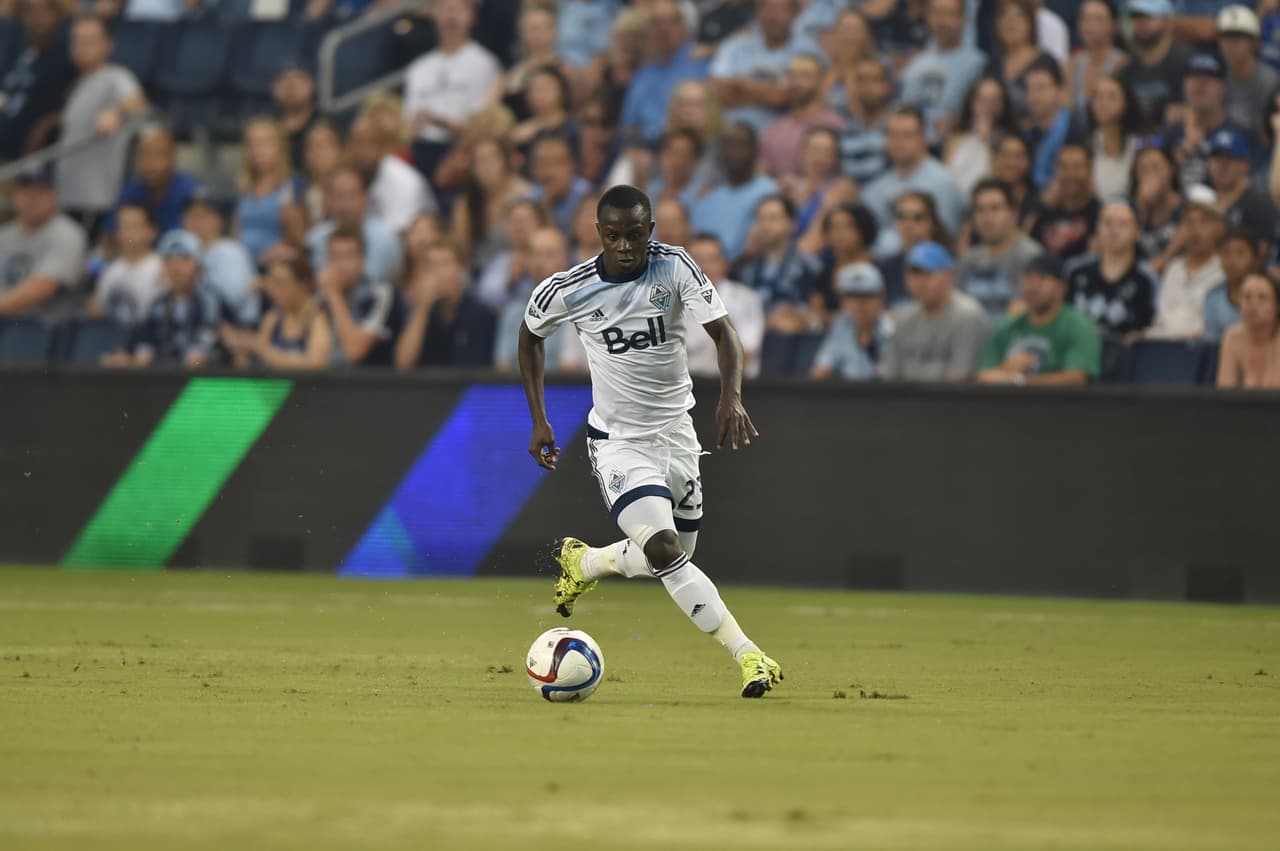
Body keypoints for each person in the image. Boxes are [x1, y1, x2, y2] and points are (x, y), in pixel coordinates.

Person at [516, 184, 784, 699]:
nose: (624, 245)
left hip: (679, 435)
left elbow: (725, 333)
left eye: (634, 234)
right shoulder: (566, 289)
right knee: (663, 551)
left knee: (678, 551)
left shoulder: (676, 266)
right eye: (613, 235)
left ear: (650, 231)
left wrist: (731, 398)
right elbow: (530, 338)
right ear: (598, 233)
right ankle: (748, 654)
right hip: (618, 443)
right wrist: (539, 418)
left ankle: (587, 562)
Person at [55, 15, 146, 237]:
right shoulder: (76, 85)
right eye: (77, 40)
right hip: (67, 194)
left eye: (90, 40)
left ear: (108, 44)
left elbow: (138, 101)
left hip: (96, 199)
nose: (82, 47)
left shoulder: (115, 76)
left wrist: (116, 112)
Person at [403, 0, 502, 181]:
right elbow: (409, 123)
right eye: (445, 9)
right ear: (434, 15)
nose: (451, 17)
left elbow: (483, 124)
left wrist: (440, 122)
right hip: (421, 151)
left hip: (464, 150)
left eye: (457, 9)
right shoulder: (418, 69)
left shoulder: (485, 64)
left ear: (472, 17)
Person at [977, 252, 1102, 384]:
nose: (1033, 286)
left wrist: (1021, 381)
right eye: (1028, 278)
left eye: (1042, 278)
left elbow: (1076, 378)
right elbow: (983, 375)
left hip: (1058, 403)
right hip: (1006, 403)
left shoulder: (1079, 326)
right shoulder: (1006, 326)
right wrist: (1007, 369)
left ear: (1062, 287)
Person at [102, 230, 220, 368]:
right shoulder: (158, 304)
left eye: (185, 259)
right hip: (164, 376)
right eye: (170, 259)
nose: (177, 267)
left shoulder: (210, 302)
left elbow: (208, 343)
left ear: (199, 265)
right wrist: (130, 357)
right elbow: (145, 342)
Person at [861, 106, 966, 256]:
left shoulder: (942, 183)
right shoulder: (874, 189)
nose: (898, 142)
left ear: (923, 138)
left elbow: (945, 240)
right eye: (892, 135)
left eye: (907, 135)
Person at [881, 240, 990, 381]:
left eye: (927, 274)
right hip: (906, 401)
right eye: (913, 274)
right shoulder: (904, 319)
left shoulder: (967, 316)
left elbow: (961, 379)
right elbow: (891, 377)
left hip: (954, 401)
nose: (919, 282)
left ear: (948, 275)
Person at [708, 0, 821, 132]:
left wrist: (738, 85)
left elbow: (781, 97)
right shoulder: (736, 45)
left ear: (794, 14)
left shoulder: (807, 49)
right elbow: (716, 91)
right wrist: (768, 91)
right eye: (766, 10)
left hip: (783, 134)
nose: (772, 17)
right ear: (757, 14)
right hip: (732, 131)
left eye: (779, 10)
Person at [0, 164, 87, 321]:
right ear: (14, 196)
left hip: (47, 330)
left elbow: (42, 288)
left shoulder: (67, 233)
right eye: (25, 193)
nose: (31, 200)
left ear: (53, 197)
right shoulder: (5, 234)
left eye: (39, 193)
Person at [619, 0, 709, 147]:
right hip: (643, 149)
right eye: (656, 23)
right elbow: (627, 126)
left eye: (670, 21)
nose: (663, 29)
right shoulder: (643, 74)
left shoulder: (701, 65)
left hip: (687, 149)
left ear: (685, 26)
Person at [1064, 200, 1160, 337]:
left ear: (1137, 232)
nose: (1113, 230)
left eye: (1123, 224)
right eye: (1107, 223)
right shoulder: (1074, 270)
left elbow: (1152, 327)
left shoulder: (1147, 279)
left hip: (1126, 355)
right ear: (1097, 228)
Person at [395, 239, 495, 369]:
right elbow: (403, 364)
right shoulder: (417, 312)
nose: (438, 272)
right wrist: (422, 308)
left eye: (445, 264)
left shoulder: (480, 314)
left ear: (460, 270)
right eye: (431, 266)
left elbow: (478, 370)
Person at [221, 256, 332, 371]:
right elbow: (260, 360)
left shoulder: (317, 317)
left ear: (303, 284)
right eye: (271, 283)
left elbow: (316, 364)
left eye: (280, 283)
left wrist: (260, 348)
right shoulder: (273, 318)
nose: (273, 290)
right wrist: (241, 352)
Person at [732, 194, 820, 334]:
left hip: (794, 343)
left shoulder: (811, 267)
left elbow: (819, 315)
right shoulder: (743, 268)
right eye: (761, 219)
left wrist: (803, 318)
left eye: (773, 219)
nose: (766, 226)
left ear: (792, 224)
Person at [691, 122, 779, 262]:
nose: (734, 152)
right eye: (728, 145)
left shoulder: (768, 191)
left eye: (741, 145)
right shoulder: (709, 197)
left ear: (754, 151)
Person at [956, 178, 1043, 318]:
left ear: (1014, 214)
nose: (987, 217)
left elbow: (1021, 314)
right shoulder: (968, 259)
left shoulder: (1030, 257)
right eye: (980, 210)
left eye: (995, 208)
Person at [316, 227, 402, 367]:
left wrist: (333, 294)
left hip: (372, 383)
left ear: (363, 260)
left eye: (348, 256)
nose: (341, 265)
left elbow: (354, 351)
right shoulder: (319, 296)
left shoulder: (380, 293)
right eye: (335, 257)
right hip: (325, 382)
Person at [0, 0, 75, 160]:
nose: (37, 18)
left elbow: (76, 103)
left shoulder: (65, 56)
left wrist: (44, 126)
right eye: (30, 12)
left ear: (57, 16)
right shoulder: (15, 48)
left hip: (28, 153)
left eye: (44, 12)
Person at [899, 0, 986, 138]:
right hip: (915, 144)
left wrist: (959, 123)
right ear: (928, 17)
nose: (943, 21)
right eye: (937, 14)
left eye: (950, 14)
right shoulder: (915, 65)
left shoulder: (977, 63)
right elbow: (904, 109)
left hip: (957, 143)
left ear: (964, 18)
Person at [305, 166, 403, 285]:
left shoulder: (385, 237)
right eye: (339, 196)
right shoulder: (315, 238)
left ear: (364, 199)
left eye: (352, 195)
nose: (346, 204)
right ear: (328, 200)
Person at [686, 232, 764, 378]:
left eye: (711, 260)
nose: (704, 267)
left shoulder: (746, 299)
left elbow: (746, 352)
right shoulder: (672, 302)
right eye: (697, 260)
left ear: (724, 264)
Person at [1165, 53, 1248, 191]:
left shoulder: (1240, 134)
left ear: (1222, 88)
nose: (1200, 86)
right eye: (1194, 79)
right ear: (1184, 85)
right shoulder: (1169, 133)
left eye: (1208, 80)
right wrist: (1187, 150)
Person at [1150, 187, 1226, 338]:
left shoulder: (1225, 270)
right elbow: (1161, 318)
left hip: (1200, 350)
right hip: (1162, 345)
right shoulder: (1173, 268)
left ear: (1219, 228)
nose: (1195, 230)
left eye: (1204, 221)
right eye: (1189, 222)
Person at [346, 114, 436, 235]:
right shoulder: (349, 176)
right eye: (358, 142)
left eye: (370, 143)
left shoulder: (404, 180)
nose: (362, 151)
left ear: (384, 147)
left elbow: (397, 234)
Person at [451, 136, 531, 272]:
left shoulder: (525, 195)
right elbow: (460, 251)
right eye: (480, 161)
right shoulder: (465, 204)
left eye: (492, 160)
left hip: (516, 269)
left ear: (505, 162)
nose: (486, 167)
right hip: (477, 273)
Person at [759, 52, 845, 179]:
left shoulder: (837, 125)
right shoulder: (772, 130)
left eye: (805, 76)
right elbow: (763, 175)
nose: (797, 82)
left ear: (821, 82)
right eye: (791, 76)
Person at [235, 117, 306, 265]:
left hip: (276, 263)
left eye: (265, 144)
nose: (258, 151)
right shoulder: (244, 187)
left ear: (280, 147)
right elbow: (237, 230)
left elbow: (298, 238)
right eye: (253, 145)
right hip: (244, 260)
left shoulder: (291, 185)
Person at [182, 191, 259, 327]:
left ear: (220, 220)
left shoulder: (229, 251)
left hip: (237, 326)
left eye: (202, 216)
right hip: (204, 326)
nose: (195, 222)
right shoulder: (190, 252)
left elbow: (233, 298)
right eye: (190, 215)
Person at [810, 261, 894, 380]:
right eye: (852, 296)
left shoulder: (892, 332)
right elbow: (819, 372)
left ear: (881, 299)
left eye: (867, 296)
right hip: (847, 396)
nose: (859, 304)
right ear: (843, 302)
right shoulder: (841, 328)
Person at [109, 127, 198, 238]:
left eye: (158, 155)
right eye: (144, 155)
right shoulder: (130, 192)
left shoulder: (192, 193)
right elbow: (110, 237)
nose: (150, 163)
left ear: (173, 159)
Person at [944, 76, 1021, 197]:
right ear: (972, 103)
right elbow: (947, 177)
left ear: (1003, 104)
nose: (989, 106)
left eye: (995, 100)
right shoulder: (955, 139)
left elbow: (1006, 177)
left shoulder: (1010, 139)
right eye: (983, 100)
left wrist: (986, 140)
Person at [1206, 127, 1277, 255]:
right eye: (1217, 160)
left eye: (1229, 160)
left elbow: (1263, 252)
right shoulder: (1206, 201)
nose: (1222, 166)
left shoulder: (1259, 203)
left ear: (1245, 165)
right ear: (1208, 164)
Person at [1118, 0, 1190, 127]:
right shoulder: (1127, 68)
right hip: (1138, 139)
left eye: (1148, 17)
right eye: (1136, 18)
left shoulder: (1186, 62)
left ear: (1167, 21)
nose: (1141, 23)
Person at [88, 202, 161, 326]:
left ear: (152, 232)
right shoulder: (110, 268)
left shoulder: (161, 268)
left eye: (133, 226)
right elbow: (94, 313)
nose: (126, 232)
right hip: (110, 336)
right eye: (122, 225)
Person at [878, 191, 954, 309]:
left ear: (933, 223)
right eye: (901, 217)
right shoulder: (887, 267)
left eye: (917, 218)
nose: (908, 224)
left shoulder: (948, 261)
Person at [784, 126, 858, 244]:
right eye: (815, 150)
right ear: (801, 153)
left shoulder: (842, 187)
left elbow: (816, 240)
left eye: (828, 152)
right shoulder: (790, 187)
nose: (821, 158)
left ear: (836, 158)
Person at [1031, 143, 1101, 263]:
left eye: (1077, 167)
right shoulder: (1043, 213)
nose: (1070, 174)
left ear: (1090, 171)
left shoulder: (1101, 215)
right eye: (1064, 167)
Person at [1024, 57, 1083, 192]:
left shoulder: (1077, 132)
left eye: (1041, 88)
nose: (1034, 97)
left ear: (1061, 91)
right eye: (1030, 89)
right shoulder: (1028, 136)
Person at [1218, 5, 1279, 132]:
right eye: (1226, 37)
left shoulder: (1270, 82)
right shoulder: (1218, 74)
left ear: (1255, 43)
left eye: (1238, 38)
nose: (1230, 45)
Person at [1067, 0, 1128, 126]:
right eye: (1086, 19)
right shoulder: (1072, 63)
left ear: (1114, 25)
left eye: (1099, 19)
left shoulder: (1123, 63)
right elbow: (1067, 109)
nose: (1090, 26)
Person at [1088, 76, 1149, 202]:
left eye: (1111, 97)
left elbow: (1162, 143)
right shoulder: (1087, 142)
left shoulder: (1141, 141)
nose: (1103, 103)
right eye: (1098, 97)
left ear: (1125, 103)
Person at [990, 0, 1055, 118]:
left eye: (1018, 15)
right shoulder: (993, 63)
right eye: (1004, 15)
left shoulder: (1046, 62)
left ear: (1030, 23)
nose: (1010, 22)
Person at [836, 55, 893, 187]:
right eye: (861, 80)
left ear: (887, 86)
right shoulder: (847, 130)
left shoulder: (897, 127)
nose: (867, 87)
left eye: (875, 80)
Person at [1216, 272, 1280, 387]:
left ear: (1276, 305)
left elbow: (1275, 392)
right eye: (1247, 297)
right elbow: (1225, 393)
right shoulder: (1232, 338)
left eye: (1262, 297)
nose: (1253, 304)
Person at [509, 64, 578, 170]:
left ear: (562, 90)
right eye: (533, 89)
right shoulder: (521, 132)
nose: (538, 93)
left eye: (545, 87)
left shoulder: (574, 129)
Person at [1131, 143, 1185, 274]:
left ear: (1171, 170)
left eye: (1156, 168)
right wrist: (1141, 210)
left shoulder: (1186, 207)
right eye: (1143, 170)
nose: (1150, 175)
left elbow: (1188, 234)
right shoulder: (1130, 210)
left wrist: (1163, 261)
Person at [528, 135, 593, 237]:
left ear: (571, 165)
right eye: (542, 164)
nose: (549, 172)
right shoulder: (532, 196)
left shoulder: (585, 195)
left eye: (557, 163)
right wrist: (545, 205)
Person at [1203, 227, 1257, 342]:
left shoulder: (1269, 293)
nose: (1232, 260)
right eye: (1226, 253)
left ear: (1254, 259)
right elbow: (1212, 341)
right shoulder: (1213, 296)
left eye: (1240, 253)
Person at [272, 66, 318, 171]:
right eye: (283, 80)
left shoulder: (326, 124)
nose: (291, 88)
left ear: (312, 84)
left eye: (299, 80)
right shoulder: (267, 126)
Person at [300, 121, 343, 224]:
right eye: (311, 147)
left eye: (323, 146)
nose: (317, 153)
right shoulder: (304, 194)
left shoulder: (353, 186)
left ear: (340, 151)